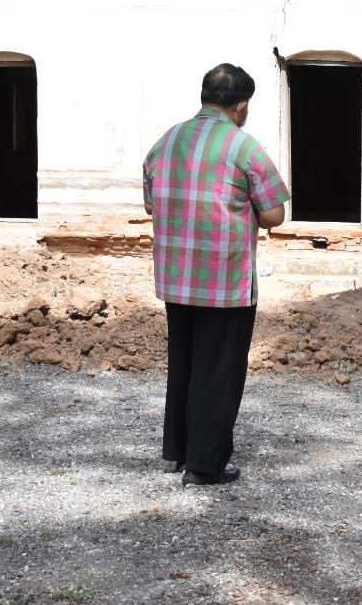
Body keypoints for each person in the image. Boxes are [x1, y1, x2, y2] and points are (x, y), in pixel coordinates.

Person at [144, 64, 288, 486]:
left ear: (204, 95)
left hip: (175, 276)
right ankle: (205, 464)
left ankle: (178, 451)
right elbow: (275, 215)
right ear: (241, 106)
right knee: (218, 370)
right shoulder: (244, 147)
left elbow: (151, 203)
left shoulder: (166, 141)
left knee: (184, 364)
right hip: (225, 280)